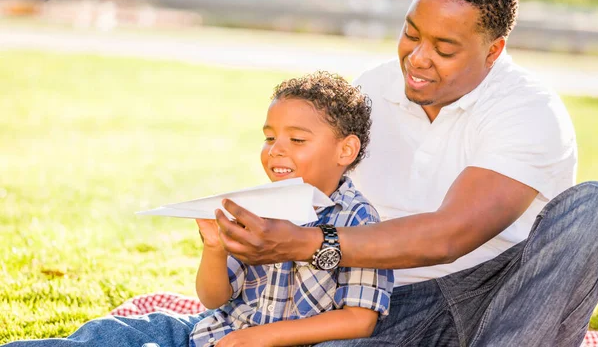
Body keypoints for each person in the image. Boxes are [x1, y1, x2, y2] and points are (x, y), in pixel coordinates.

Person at [211, 0, 598, 346]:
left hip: (495, 303)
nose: (417, 58)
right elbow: (314, 192)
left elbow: (450, 236)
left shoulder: (528, 110)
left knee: (593, 207)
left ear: (493, 51)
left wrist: (307, 243)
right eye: (412, 34)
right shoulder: (370, 91)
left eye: (444, 49)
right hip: (374, 304)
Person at [4, 71, 394, 347]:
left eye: (296, 139)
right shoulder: (256, 207)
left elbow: (360, 320)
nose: (276, 149)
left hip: (281, 343)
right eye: (270, 137)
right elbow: (212, 299)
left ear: (346, 150)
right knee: (115, 334)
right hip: (211, 334)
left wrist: (259, 338)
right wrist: (215, 248)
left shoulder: (357, 221)